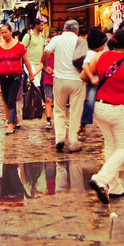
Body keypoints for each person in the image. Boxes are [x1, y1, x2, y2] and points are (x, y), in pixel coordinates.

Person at [84, 28, 124, 203]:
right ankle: (101, 179)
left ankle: (114, 187)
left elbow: (83, 75)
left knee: (111, 145)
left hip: (100, 107)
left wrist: (94, 77)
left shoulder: (100, 56)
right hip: (120, 108)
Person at [0, 24, 34, 135]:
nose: (3, 34)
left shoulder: (19, 46)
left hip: (16, 76)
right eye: (2, 33)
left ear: (11, 32)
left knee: (11, 100)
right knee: (6, 100)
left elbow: (26, 60)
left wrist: (31, 73)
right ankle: (14, 119)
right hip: (3, 77)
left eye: (5, 32)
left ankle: (11, 124)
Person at [46, 20, 84, 152]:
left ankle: (60, 138)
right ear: (77, 30)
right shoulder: (81, 41)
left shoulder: (56, 39)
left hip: (60, 79)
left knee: (59, 110)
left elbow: (46, 52)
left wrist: (46, 66)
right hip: (77, 80)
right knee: (75, 111)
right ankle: (73, 141)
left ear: (64, 29)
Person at [21, 16, 47, 86]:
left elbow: (43, 49)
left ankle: (32, 97)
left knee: (34, 84)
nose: (43, 27)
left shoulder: (41, 36)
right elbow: (22, 49)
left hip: (39, 64)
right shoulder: (28, 36)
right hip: (30, 63)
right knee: (35, 84)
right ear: (36, 25)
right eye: (41, 25)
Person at [40, 43, 55, 128]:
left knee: (57, 101)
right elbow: (41, 64)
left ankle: (58, 119)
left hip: (58, 79)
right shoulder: (46, 55)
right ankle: (49, 119)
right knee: (48, 99)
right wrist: (34, 74)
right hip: (48, 79)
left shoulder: (60, 54)